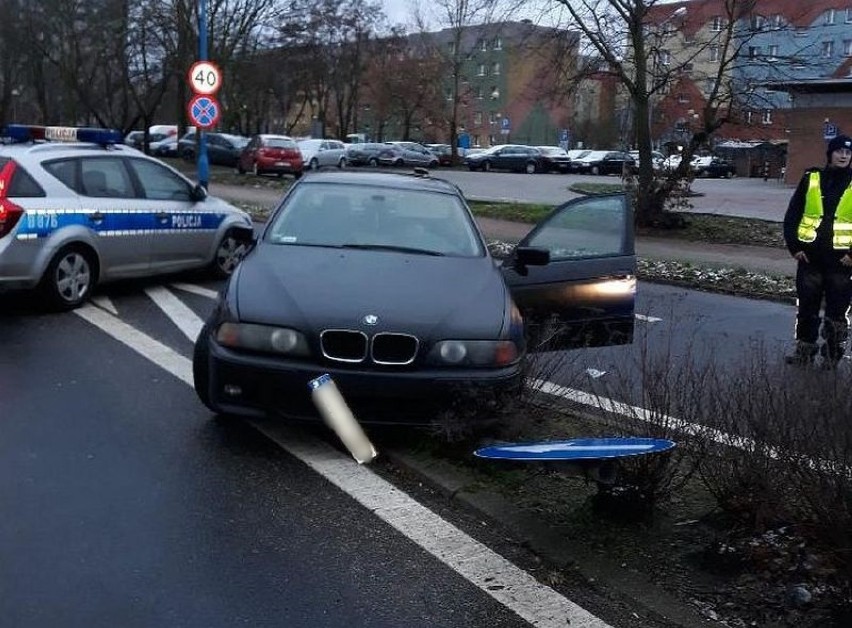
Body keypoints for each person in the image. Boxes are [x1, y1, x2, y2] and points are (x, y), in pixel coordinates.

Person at [783, 134, 852, 367]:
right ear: (830, 154)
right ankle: (804, 351)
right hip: (810, 257)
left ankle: (831, 356)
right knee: (807, 309)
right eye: (839, 151)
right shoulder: (811, 178)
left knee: (837, 312)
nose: (844, 156)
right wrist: (794, 246)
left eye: (848, 153)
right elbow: (793, 215)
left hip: (841, 261)